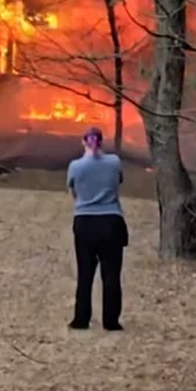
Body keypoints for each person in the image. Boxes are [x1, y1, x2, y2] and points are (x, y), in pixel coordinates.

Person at [65, 126, 128, 331]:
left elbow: (73, 192)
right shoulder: (114, 162)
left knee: (85, 273)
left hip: (84, 222)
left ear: (84, 142)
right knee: (111, 274)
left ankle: (81, 319)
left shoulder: (75, 166)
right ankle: (111, 321)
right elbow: (117, 185)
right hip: (111, 221)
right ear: (102, 141)